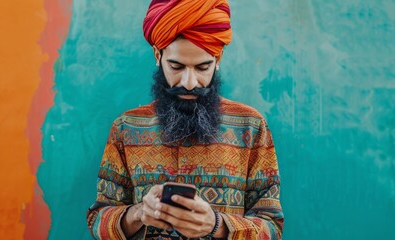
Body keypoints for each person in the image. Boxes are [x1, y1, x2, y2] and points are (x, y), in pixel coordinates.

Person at [86, 0, 284, 239]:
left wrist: (217, 225)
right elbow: (97, 223)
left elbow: (272, 228)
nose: (189, 83)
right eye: (176, 66)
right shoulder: (126, 128)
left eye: (202, 68)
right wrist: (139, 213)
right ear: (158, 55)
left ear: (217, 60)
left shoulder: (251, 126)